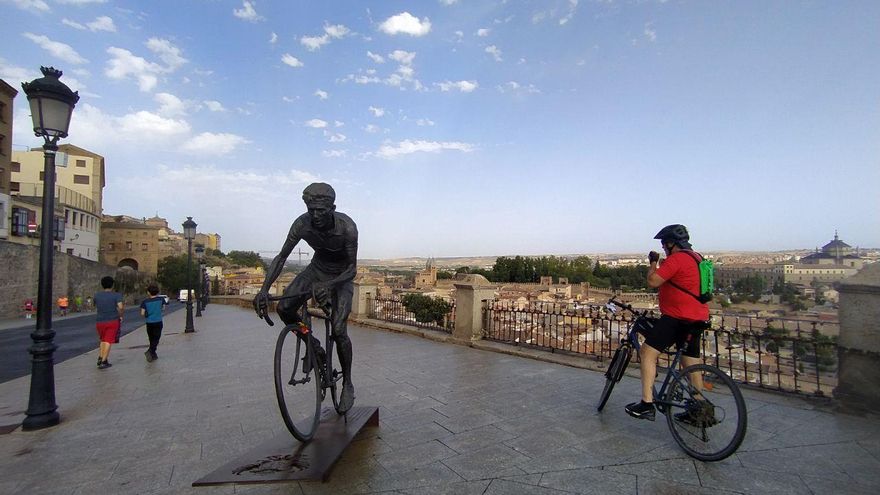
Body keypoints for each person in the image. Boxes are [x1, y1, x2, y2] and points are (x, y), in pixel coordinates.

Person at [253, 182, 359, 413]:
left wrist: (329, 285)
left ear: (332, 208)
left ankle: (348, 383)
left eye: (320, 211)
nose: (315, 215)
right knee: (284, 308)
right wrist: (264, 289)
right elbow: (281, 257)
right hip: (316, 269)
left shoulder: (348, 227)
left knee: (339, 330)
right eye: (311, 210)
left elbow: (352, 269)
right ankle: (313, 344)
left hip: (340, 277)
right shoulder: (302, 224)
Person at [625, 224, 710, 423]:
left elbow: (653, 281)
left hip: (677, 317)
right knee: (690, 362)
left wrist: (653, 263)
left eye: (664, 244)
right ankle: (700, 409)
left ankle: (647, 404)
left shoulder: (677, 259)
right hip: (698, 317)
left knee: (647, 352)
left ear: (672, 243)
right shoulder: (697, 258)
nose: (663, 247)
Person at [95, 276, 124, 369]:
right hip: (112, 320)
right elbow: (120, 307)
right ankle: (104, 361)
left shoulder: (97, 295)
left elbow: (95, 305)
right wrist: (120, 315)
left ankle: (100, 357)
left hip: (99, 321)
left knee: (103, 339)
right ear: (112, 285)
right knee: (108, 340)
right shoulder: (116, 295)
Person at [140, 283, 167, 362]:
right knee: (156, 338)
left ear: (148, 292)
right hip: (158, 321)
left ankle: (153, 354)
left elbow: (142, 313)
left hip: (149, 322)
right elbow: (163, 308)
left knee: (151, 338)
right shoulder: (161, 300)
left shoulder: (145, 302)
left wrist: (148, 314)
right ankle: (151, 351)